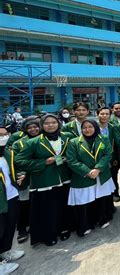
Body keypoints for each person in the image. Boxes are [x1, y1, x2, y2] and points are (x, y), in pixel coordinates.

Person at [15, 114, 74, 246]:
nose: (51, 125)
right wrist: (43, 162)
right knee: (48, 210)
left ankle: (64, 228)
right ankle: (49, 234)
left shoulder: (67, 137)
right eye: (47, 123)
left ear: (58, 123)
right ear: (42, 125)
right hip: (45, 181)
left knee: (64, 206)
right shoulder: (33, 142)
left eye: (54, 122)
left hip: (65, 178)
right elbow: (19, 160)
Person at [66, 120, 114, 236]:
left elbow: (108, 154)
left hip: (101, 174)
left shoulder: (103, 138)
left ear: (95, 127)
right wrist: (87, 171)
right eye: (84, 127)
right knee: (85, 202)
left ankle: (102, 219)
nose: (87, 130)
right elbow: (71, 161)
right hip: (83, 177)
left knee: (101, 198)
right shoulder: (74, 142)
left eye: (90, 127)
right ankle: (85, 225)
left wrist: (98, 168)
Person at [5, 116, 41, 244]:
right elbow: (16, 162)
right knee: (24, 204)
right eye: (29, 127)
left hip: (40, 177)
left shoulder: (44, 140)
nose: (33, 129)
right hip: (24, 179)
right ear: (25, 129)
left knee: (36, 204)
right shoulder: (18, 143)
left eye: (35, 126)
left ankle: (35, 225)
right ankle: (22, 229)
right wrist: (25, 172)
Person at [0, 149, 24, 273]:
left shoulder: (7, 153)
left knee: (10, 225)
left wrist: (21, 175)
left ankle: (5, 251)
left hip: (11, 194)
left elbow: (16, 167)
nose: (3, 137)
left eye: (5, 134)